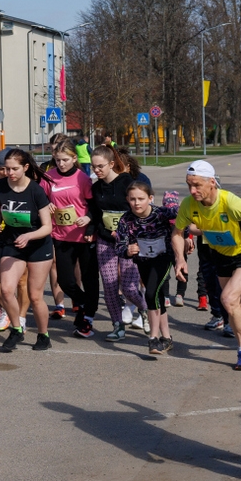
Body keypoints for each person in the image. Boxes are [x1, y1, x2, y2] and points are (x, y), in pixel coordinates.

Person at [171, 159, 241, 371]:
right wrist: (180, 259)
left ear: (212, 182)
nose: (192, 190)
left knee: (228, 300)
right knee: (238, 302)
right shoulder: (188, 204)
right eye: (189, 185)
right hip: (220, 254)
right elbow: (177, 232)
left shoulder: (230, 202)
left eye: (197, 185)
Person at [0, 149, 54, 352]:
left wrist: (29, 236)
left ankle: (43, 335)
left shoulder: (35, 190)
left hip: (38, 244)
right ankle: (16, 330)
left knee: (35, 296)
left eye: (14, 169)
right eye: (6, 169)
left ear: (25, 168)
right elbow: (0, 210)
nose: (9, 173)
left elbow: (47, 227)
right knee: (6, 289)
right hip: (13, 242)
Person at [41, 142, 100, 337]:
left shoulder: (82, 178)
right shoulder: (49, 177)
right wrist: (46, 205)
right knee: (65, 281)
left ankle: (88, 317)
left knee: (89, 279)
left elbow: (94, 205)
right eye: (57, 160)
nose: (61, 164)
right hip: (61, 236)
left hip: (84, 235)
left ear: (74, 158)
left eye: (65, 160)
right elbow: (40, 198)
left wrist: (89, 221)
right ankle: (84, 303)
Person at [89, 145, 146, 341]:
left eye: (100, 166)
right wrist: (98, 231)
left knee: (129, 287)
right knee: (110, 285)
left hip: (129, 241)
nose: (96, 170)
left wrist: (126, 233)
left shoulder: (127, 183)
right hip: (106, 240)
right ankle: (117, 325)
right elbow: (96, 215)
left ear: (112, 164)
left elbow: (138, 211)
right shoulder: (96, 188)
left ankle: (146, 310)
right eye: (93, 167)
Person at [114, 181, 178, 355]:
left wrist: (186, 238)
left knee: (151, 294)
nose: (137, 203)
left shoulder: (161, 214)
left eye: (141, 199)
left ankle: (153, 339)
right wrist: (127, 250)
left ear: (150, 198)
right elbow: (119, 246)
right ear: (127, 199)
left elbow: (181, 218)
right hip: (143, 261)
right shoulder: (126, 219)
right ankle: (167, 338)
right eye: (133, 199)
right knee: (157, 297)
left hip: (163, 258)